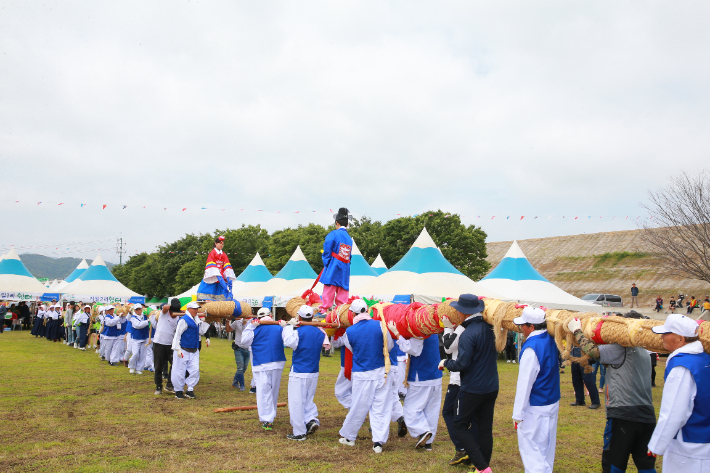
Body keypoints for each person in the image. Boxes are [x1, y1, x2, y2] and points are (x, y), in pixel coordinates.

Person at [568, 311, 656, 473]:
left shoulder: (620, 348)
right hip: (647, 416)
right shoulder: (644, 351)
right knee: (645, 465)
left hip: (623, 416)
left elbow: (592, 351)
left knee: (613, 465)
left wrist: (576, 331)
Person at [441, 294, 498, 473]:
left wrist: (445, 363)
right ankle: (482, 464)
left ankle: (482, 467)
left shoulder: (468, 333)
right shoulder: (490, 328)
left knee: (459, 424)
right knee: (484, 428)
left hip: (473, 387)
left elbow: (461, 364)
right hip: (491, 385)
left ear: (464, 313)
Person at [648, 313, 709, 472]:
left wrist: (656, 445)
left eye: (666, 333)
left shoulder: (682, 365)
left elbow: (674, 411)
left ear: (680, 339)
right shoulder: (703, 359)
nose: (661, 337)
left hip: (689, 448)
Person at [337, 299, 393, 454]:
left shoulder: (350, 331)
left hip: (362, 373)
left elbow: (352, 349)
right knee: (380, 407)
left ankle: (349, 437)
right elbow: (389, 347)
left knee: (358, 406)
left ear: (353, 313)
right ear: (366, 310)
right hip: (382, 371)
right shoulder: (381, 325)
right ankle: (378, 442)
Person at [512, 307, 561, 473]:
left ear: (531, 327)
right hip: (551, 402)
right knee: (546, 450)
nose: (520, 329)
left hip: (535, 407)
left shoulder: (531, 348)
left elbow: (524, 384)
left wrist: (517, 414)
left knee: (532, 452)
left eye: (523, 325)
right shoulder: (550, 339)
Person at [280, 305, 331, 441]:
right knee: (308, 399)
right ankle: (310, 420)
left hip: (299, 371)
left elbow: (288, 342)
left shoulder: (299, 332)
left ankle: (299, 432)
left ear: (300, 317)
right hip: (313, 371)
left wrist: (288, 327)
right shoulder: (320, 332)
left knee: (296, 402)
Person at [389, 322, 442, 451]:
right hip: (435, 375)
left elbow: (413, 349)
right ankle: (427, 443)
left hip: (421, 375)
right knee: (431, 410)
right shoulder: (433, 328)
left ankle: (423, 431)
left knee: (410, 410)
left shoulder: (420, 329)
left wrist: (397, 334)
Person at [241, 307, 286, 430]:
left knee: (263, 392)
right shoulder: (278, 327)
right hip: (277, 362)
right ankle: (270, 417)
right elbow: (288, 341)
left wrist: (250, 327)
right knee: (273, 391)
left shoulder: (254, 327)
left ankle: (268, 419)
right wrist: (286, 327)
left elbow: (244, 342)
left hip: (261, 363)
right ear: (270, 315)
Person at [441, 317, 470, 466]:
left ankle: (462, 447)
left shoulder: (461, 328)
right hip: (470, 377)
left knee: (449, 412)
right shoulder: (475, 327)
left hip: (458, 378)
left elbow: (448, 347)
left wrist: (448, 328)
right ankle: (467, 448)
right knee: (466, 416)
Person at [171, 302, 209, 399]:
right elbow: (177, 335)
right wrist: (177, 348)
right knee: (179, 371)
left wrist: (207, 321)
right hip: (183, 349)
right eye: (194, 309)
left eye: (197, 309)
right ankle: (178, 390)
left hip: (194, 349)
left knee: (195, 370)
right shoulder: (184, 320)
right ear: (189, 309)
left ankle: (190, 389)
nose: (196, 311)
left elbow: (201, 332)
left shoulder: (197, 320)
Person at [320, 207, 353, 311]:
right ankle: (341, 312)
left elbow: (327, 251)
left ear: (336, 223)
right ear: (347, 224)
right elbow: (349, 255)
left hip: (333, 265)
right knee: (343, 290)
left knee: (329, 288)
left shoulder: (333, 234)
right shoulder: (349, 238)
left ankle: (324, 310)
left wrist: (327, 264)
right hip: (345, 268)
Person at [151, 299, 181, 395]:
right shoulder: (164, 314)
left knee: (175, 365)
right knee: (158, 366)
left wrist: (179, 313)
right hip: (159, 343)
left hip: (170, 345)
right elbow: (165, 307)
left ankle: (169, 384)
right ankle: (158, 386)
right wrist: (171, 307)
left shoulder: (178, 318)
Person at [196, 236, 237, 301]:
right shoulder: (212, 253)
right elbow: (211, 265)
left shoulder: (224, 254)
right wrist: (217, 274)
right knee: (207, 292)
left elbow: (227, 266)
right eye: (220, 243)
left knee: (222, 296)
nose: (221, 245)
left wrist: (228, 276)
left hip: (221, 279)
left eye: (223, 244)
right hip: (213, 276)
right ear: (215, 243)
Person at [569, 341, 601, 409]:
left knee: (588, 380)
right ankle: (580, 400)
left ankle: (595, 402)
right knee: (576, 380)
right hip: (574, 356)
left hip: (584, 357)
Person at [230, 317, 250, 391]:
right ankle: (242, 386)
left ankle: (235, 382)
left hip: (248, 348)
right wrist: (228, 320)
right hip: (238, 347)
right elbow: (228, 330)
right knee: (240, 368)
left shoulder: (252, 322)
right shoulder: (237, 322)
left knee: (244, 368)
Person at [128, 304, 150, 374]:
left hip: (144, 336)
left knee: (143, 354)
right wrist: (148, 321)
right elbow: (138, 325)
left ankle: (139, 369)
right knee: (135, 353)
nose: (138, 311)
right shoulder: (133, 317)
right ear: (134, 310)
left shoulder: (145, 316)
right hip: (136, 337)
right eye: (137, 309)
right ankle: (132, 366)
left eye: (139, 309)